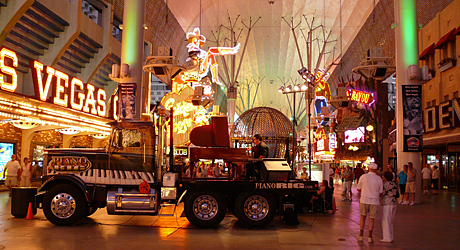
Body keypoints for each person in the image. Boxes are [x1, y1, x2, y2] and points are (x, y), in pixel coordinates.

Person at [357, 162, 383, 243]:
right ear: (376, 170)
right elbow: (381, 192)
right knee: (371, 219)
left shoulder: (363, 177)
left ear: (369, 168)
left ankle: (361, 235)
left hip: (364, 199)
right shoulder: (379, 179)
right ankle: (370, 237)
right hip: (374, 201)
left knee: (362, 217)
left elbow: (358, 189)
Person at [381, 171, 398, 243]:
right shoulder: (394, 184)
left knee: (386, 220)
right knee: (390, 221)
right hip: (394, 203)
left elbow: (382, 193)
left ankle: (387, 237)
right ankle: (391, 236)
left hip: (387, 203)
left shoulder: (385, 184)